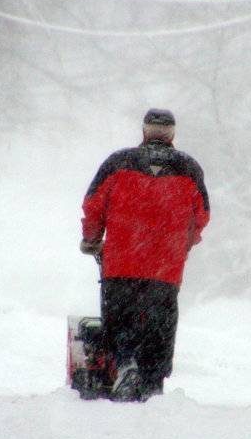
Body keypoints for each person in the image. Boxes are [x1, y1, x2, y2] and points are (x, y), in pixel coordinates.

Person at [80, 108, 210, 401]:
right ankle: (152, 381)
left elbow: (93, 204)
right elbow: (201, 215)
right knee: (159, 325)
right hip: (165, 268)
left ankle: (125, 364)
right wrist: (184, 244)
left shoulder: (118, 163)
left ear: (144, 131)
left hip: (121, 263)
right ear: (172, 134)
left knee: (119, 318)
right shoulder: (189, 169)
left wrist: (91, 239)